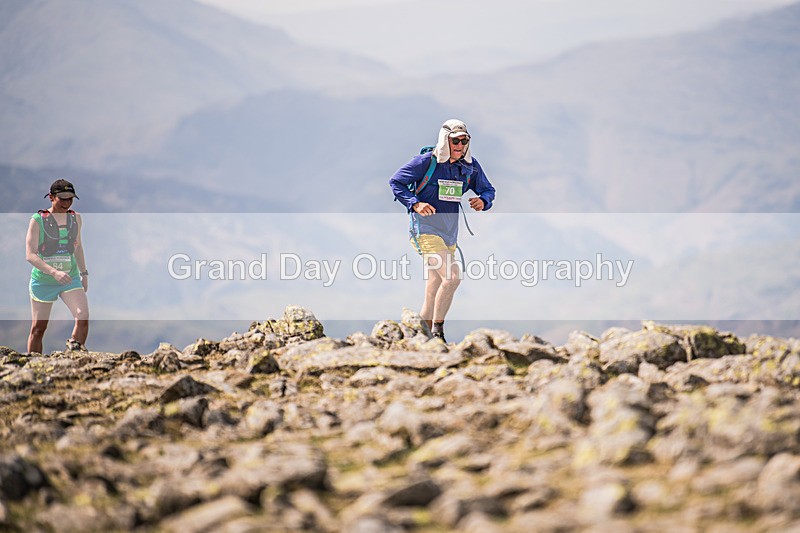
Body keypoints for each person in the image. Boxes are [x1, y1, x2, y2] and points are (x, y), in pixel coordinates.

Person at [389, 119, 496, 342]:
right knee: (452, 277)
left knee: (433, 288)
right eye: (455, 140)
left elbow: (488, 190)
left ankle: (417, 336)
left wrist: (483, 201)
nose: (460, 145)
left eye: (464, 140)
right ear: (445, 140)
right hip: (425, 230)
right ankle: (438, 332)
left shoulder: (469, 166)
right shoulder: (426, 162)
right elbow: (396, 182)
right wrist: (415, 203)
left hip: (449, 234)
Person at [25, 180, 90, 354]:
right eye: (62, 198)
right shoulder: (38, 220)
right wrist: (54, 272)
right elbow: (30, 255)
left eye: (70, 199)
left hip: (70, 277)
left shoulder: (75, 218)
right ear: (52, 197)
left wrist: (84, 273)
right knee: (38, 329)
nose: (67, 203)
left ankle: (74, 358)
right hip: (44, 280)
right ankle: (32, 367)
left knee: (82, 316)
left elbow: (78, 247)